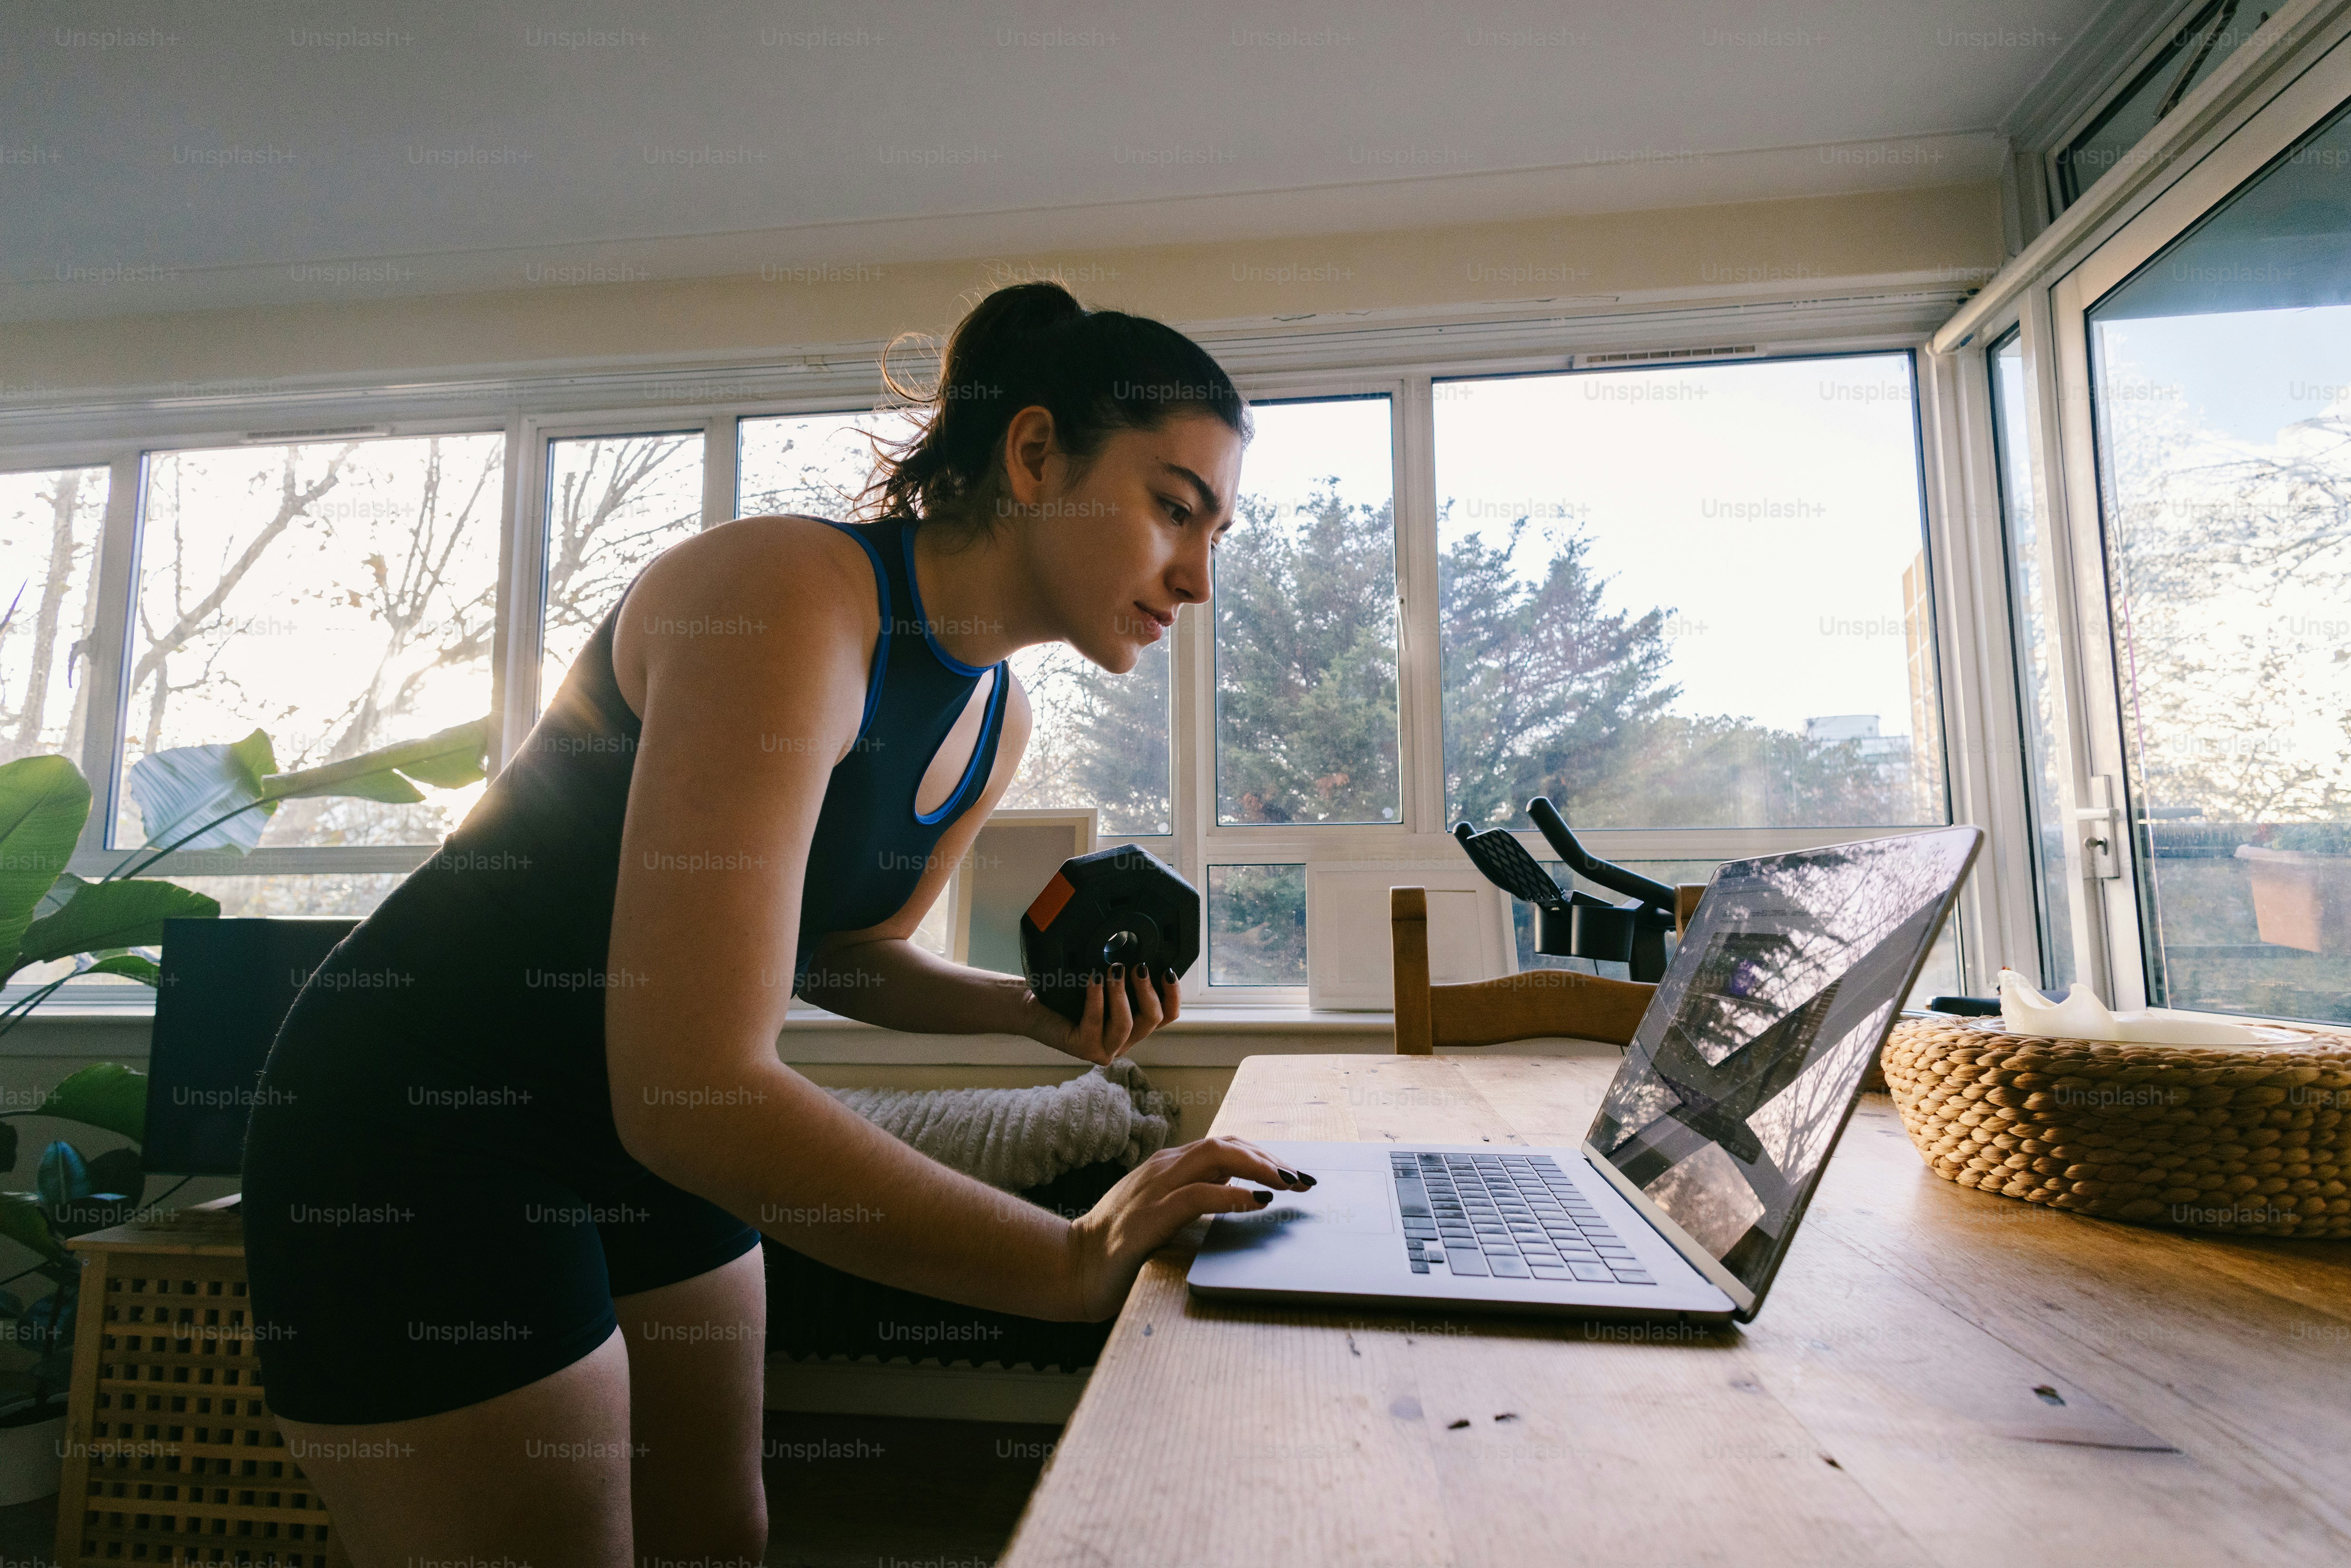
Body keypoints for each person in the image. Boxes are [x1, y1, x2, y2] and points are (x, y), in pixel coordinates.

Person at [238, 280, 1315, 1568]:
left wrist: (1023, 1015)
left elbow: (833, 951)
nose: (1196, 576)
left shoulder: (991, 720)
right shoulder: (789, 592)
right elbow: (694, 1089)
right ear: (1033, 454)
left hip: (633, 1128)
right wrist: (1074, 1258)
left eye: (1219, 533)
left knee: (718, 1538)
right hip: (418, 1125)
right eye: (1172, 509)